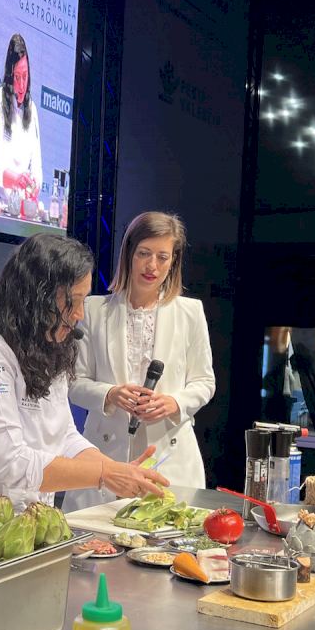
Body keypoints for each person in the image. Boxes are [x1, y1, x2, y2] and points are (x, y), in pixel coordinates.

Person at [0, 233, 168, 513]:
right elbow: (8, 462)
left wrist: (115, 469)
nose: (80, 314)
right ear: (37, 297)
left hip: (27, 515)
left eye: (84, 300)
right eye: (73, 301)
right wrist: (104, 474)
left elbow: (63, 435)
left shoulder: (47, 342)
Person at [65, 212, 215, 512]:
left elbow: (204, 382)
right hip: (106, 453)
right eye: (144, 253)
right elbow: (73, 382)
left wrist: (174, 402)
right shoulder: (94, 309)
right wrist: (110, 394)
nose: (152, 266)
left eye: (162, 257)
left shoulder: (190, 312)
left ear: (174, 261)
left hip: (170, 455)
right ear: (129, 254)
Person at [0, 33, 43, 204]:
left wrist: (35, 185)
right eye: (17, 77)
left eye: (25, 76)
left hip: (23, 206)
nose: (21, 85)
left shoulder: (32, 109)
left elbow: (37, 163)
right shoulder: (0, 98)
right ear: (10, 76)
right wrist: (16, 180)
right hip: (1, 202)